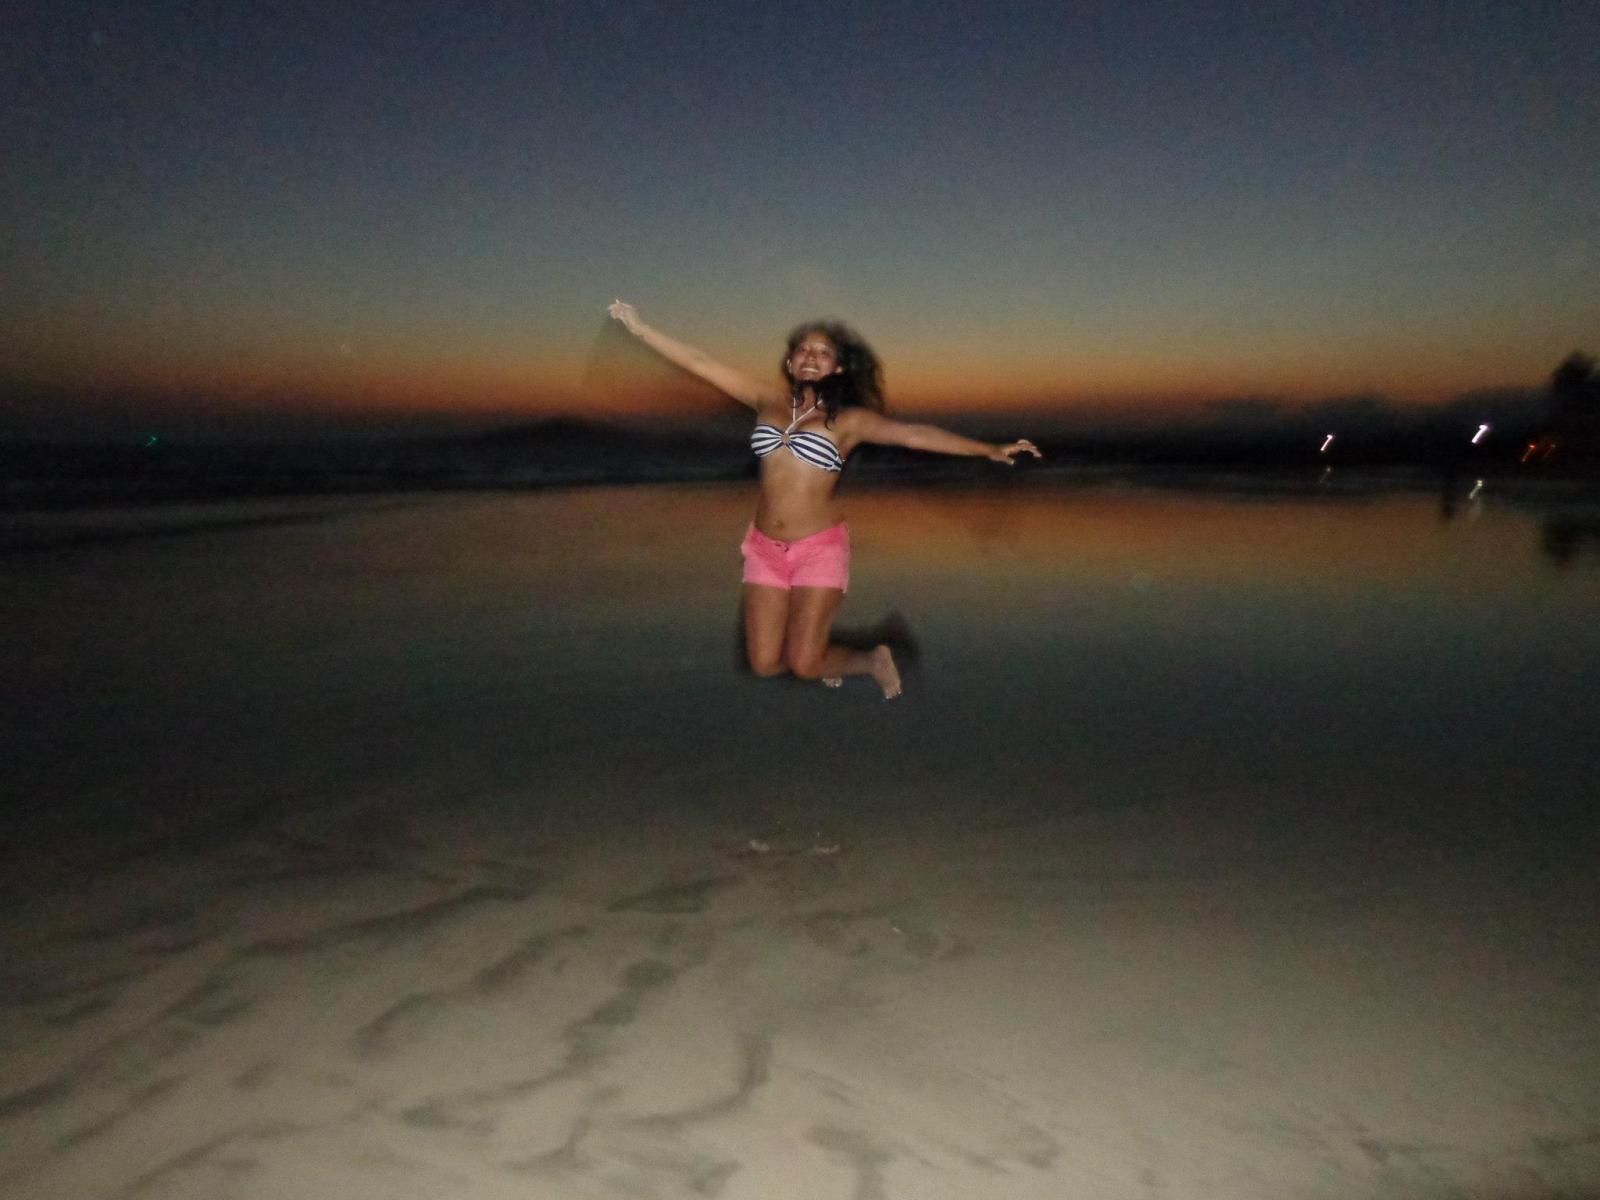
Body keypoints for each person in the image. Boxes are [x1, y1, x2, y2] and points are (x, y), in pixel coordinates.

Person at [607, 301, 1040, 699]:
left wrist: (988, 449)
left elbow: (914, 435)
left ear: (837, 367)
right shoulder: (766, 399)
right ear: (790, 361)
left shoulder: (849, 421)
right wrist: (640, 328)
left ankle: (870, 660)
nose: (811, 356)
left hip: (818, 549)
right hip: (763, 548)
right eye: (803, 349)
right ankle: (827, 660)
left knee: (804, 665)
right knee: (764, 665)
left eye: (823, 352)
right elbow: (701, 364)